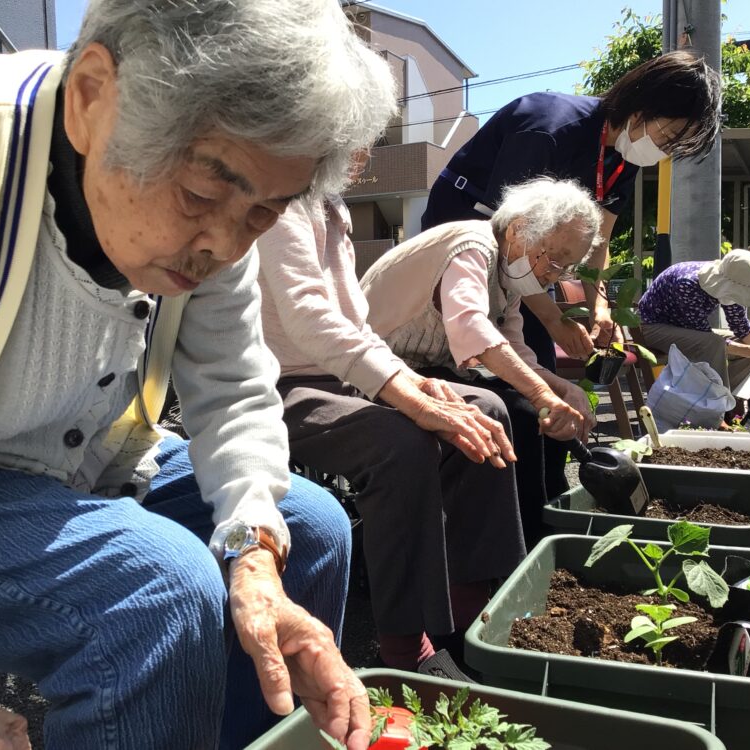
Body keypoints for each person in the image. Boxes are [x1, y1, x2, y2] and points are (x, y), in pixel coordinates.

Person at [0, 2, 397, 748]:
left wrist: (252, 551)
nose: (222, 243)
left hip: (90, 456)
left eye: (264, 213)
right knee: (157, 593)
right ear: (91, 96)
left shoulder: (218, 229)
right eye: (201, 196)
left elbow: (236, 389)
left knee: (309, 533)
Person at [256, 189, 525, 671]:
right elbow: (308, 316)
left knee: (486, 408)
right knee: (400, 444)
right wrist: (409, 399)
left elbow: (356, 326)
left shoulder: (333, 206)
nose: (361, 149)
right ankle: (405, 648)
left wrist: (416, 383)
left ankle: (473, 619)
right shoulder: (283, 198)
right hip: (279, 382)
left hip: (345, 374)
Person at [421, 50, 721, 368]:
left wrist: (600, 309)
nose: (665, 152)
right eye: (670, 137)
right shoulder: (549, 128)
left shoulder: (624, 157)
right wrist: (553, 319)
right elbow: (508, 238)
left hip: (527, 251)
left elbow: (599, 239)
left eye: (675, 147)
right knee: (457, 344)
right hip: (466, 225)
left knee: (536, 359)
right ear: (644, 106)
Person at [361, 178, 601, 546]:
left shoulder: (509, 270)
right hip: (379, 369)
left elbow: (514, 348)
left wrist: (560, 388)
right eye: (553, 260)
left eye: (564, 268)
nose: (552, 276)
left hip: (426, 369)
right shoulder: (472, 246)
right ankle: (518, 547)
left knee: (542, 418)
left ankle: (547, 533)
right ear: (519, 229)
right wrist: (541, 394)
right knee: (517, 412)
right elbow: (470, 327)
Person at [638, 249, 750, 393]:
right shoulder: (686, 284)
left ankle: (723, 396)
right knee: (715, 343)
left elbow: (742, 327)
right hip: (652, 329)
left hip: (687, 329)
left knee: (745, 345)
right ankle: (718, 402)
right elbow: (705, 338)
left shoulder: (729, 275)